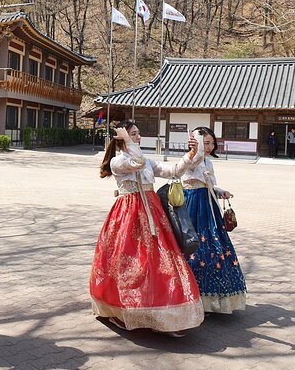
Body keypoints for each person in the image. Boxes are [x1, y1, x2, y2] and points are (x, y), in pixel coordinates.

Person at [90, 121, 204, 337]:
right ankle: (123, 310)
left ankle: (164, 313)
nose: (138, 137)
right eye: (133, 134)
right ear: (123, 138)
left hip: (153, 212)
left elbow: (173, 171)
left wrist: (192, 153)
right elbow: (137, 162)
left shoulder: (147, 161)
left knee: (161, 261)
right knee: (129, 263)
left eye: (138, 133)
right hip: (129, 213)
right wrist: (126, 141)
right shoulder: (117, 162)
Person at [182, 127, 247, 314]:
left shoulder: (208, 163)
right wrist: (196, 149)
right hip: (193, 207)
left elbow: (208, 185)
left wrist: (221, 192)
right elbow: (192, 167)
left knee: (215, 248)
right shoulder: (191, 160)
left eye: (211, 143)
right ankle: (192, 296)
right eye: (206, 143)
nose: (209, 147)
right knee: (195, 249)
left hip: (209, 207)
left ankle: (212, 298)